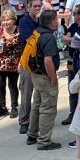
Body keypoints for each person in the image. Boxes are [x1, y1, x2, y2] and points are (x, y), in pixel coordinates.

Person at [26, 9, 62, 150]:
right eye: (56, 19)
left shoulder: (37, 32)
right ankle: (44, 141)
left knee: (37, 104)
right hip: (45, 76)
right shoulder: (49, 37)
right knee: (48, 108)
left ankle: (32, 134)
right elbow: (48, 61)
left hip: (35, 75)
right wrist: (53, 78)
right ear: (51, 21)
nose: (58, 21)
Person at [18, 0, 44, 134]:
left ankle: (37, 120)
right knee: (26, 91)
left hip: (40, 61)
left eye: (39, 6)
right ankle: (24, 120)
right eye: (35, 6)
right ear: (29, 7)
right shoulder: (24, 21)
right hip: (28, 61)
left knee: (40, 92)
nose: (37, 8)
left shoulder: (43, 21)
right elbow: (30, 40)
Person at [0, 10, 22, 120]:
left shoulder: (19, 31)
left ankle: (14, 108)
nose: (5, 22)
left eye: (8, 19)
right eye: (3, 20)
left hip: (13, 63)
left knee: (13, 86)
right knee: (0, 86)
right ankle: (2, 107)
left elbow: (21, 46)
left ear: (14, 19)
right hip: (0, 62)